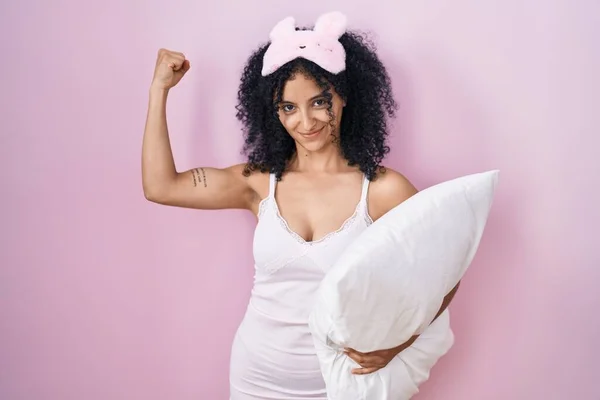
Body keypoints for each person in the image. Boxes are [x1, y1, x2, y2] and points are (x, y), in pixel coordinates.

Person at [141, 11, 459, 400]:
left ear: (343, 96)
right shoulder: (258, 183)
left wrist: (400, 343)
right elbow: (161, 187)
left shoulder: (382, 190)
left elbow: (446, 271)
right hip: (255, 378)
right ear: (273, 112)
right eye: (288, 107)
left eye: (319, 101)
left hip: (340, 385)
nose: (305, 121)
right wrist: (160, 89)